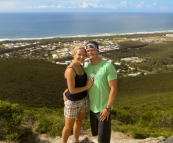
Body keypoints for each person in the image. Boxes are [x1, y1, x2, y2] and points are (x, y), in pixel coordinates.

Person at [84, 40, 118, 143]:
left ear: (97, 50)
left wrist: (108, 108)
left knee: (103, 139)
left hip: (103, 109)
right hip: (93, 108)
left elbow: (114, 88)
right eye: (88, 50)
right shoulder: (86, 67)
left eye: (92, 50)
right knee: (99, 136)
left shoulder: (107, 66)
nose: (90, 52)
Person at [62, 44, 94, 143]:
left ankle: (75, 140)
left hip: (83, 99)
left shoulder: (80, 66)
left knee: (79, 121)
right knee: (68, 126)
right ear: (74, 55)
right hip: (72, 102)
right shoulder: (71, 69)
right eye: (79, 54)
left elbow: (73, 85)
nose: (82, 57)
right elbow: (72, 91)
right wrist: (87, 87)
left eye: (84, 55)